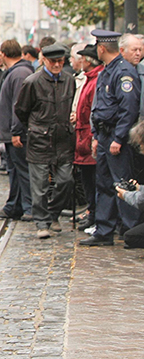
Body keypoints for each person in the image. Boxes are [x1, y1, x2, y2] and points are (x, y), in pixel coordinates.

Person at [82, 29, 141, 246]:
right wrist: (97, 136)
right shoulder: (108, 70)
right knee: (104, 183)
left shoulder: (123, 71)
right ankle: (104, 231)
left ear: (101, 48)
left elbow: (129, 108)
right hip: (105, 135)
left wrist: (118, 138)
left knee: (122, 184)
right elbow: (101, 107)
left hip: (117, 137)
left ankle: (130, 231)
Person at [13, 44, 76, 238]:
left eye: (60, 61)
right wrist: (35, 127)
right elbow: (21, 110)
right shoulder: (32, 82)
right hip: (40, 139)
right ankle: (41, 222)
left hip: (63, 139)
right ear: (44, 61)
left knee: (66, 181)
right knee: (39, 185)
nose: (57, 65)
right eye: (53, 61)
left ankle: (53, 213)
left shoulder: (69, 80)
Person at [0, 40, 35, 220]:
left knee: (22, 171)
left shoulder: (19, 73)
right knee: (15, 171)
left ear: (4, 54)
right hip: (11, 133)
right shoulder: (15, 72)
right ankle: (14, 206)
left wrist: (16, 131)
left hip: (17, 134)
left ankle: (29, 208)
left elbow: (19, 105)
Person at [74, 45, 103, 231]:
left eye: (83, 58)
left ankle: (94, 214)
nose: (81, 61)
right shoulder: (89, 79)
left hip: (88, 138)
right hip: (83, 137)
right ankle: (92, 212)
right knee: (88, 179)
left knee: (92, 180)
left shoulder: (95, 80)